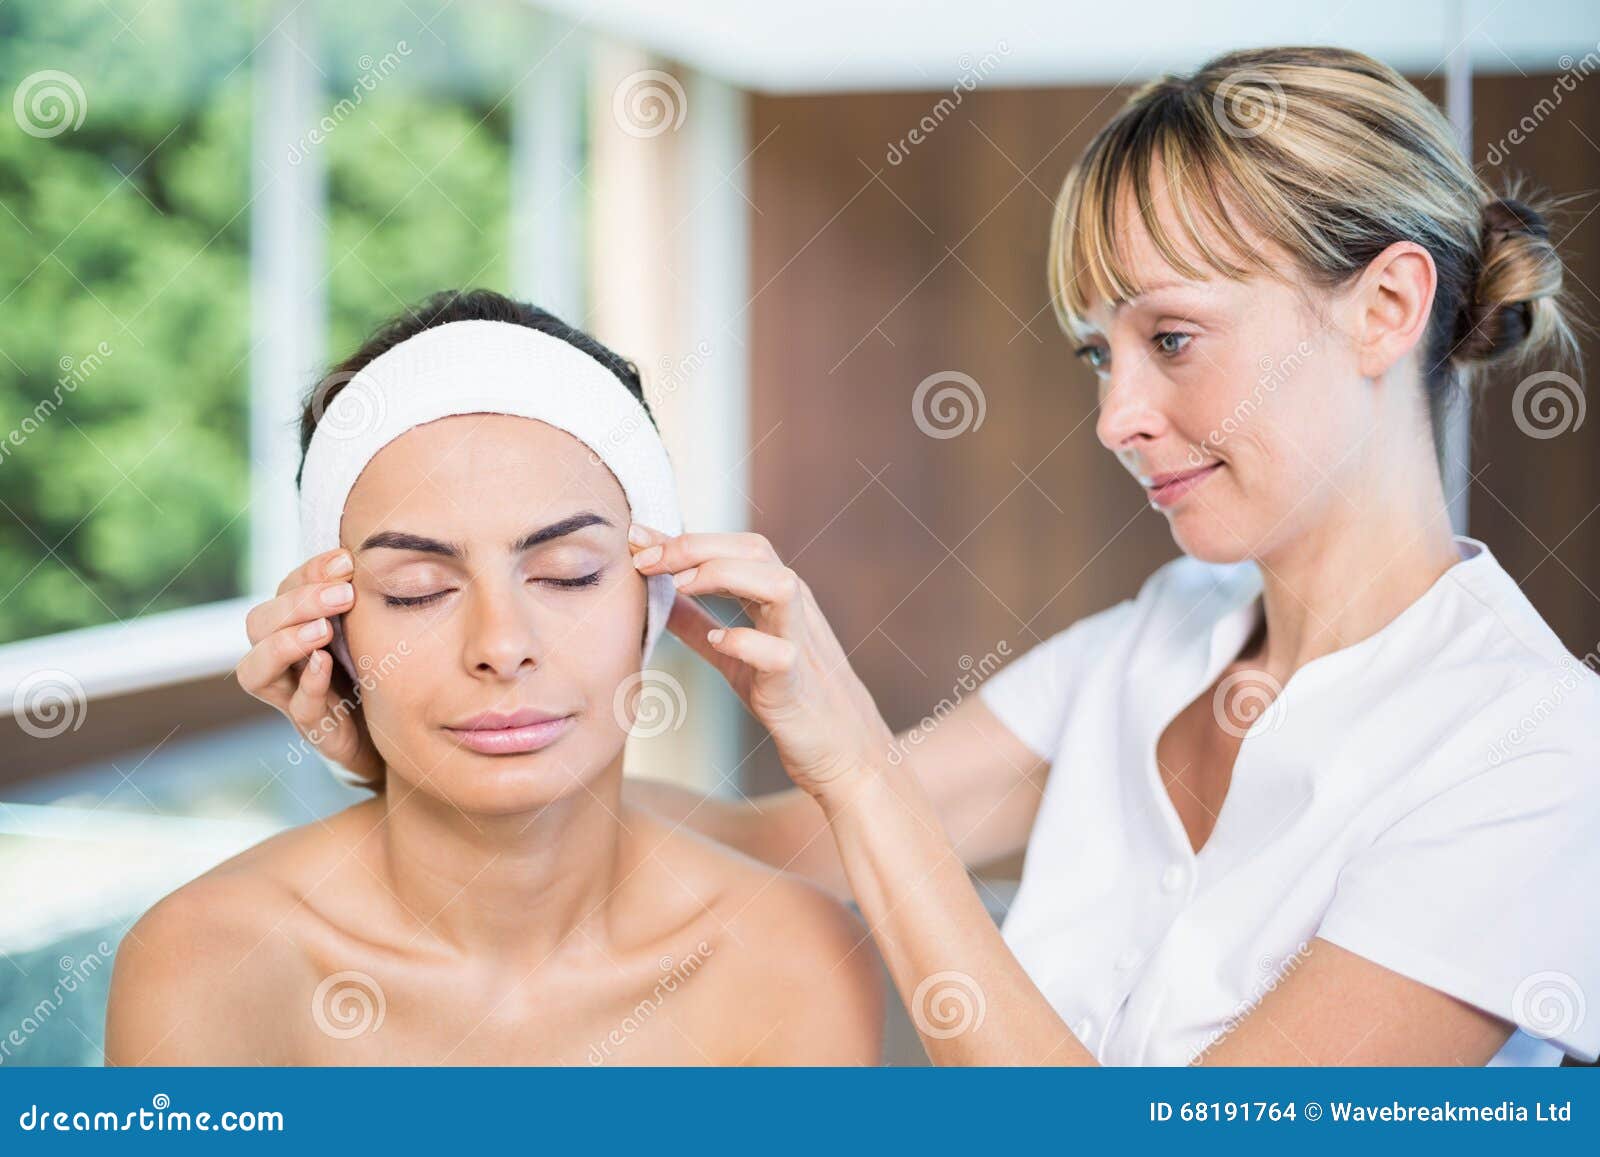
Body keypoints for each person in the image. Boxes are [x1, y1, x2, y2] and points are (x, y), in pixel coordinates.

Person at [250, 47, 1600, 1066]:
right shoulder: (1162, 637)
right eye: (1099, 354)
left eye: (1171, 340)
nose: (1116, 415)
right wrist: (411, 757)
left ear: (1385, 308)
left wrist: (853, 753)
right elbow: (781, 845)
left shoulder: (1530, 759)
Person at [104, 290, 883, 1066]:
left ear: (655, 602)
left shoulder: (795, 962)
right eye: (417, 588)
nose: (501, 645)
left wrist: (854, 765)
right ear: (332, 632)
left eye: (568, 574)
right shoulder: (206, 962)